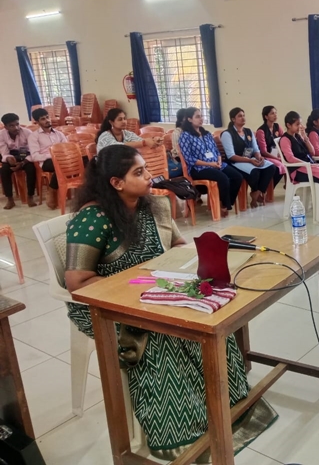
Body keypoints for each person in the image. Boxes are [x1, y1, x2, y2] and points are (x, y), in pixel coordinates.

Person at [64, 145, 277, 462]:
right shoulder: (93, 219)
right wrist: (134, 291)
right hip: (106, 305)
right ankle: (182, 434)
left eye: (146, 169)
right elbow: (77, 282)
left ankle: (229, 409)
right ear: (116, 183)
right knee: (163, 337)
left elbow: (177, 246)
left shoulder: (152, 206)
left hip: (155, 289)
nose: (149, 176)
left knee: (209, 318)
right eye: (139, 172)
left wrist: (179, 275)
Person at [179, 107, 243, 217]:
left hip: (215, 164)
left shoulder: (207, 134)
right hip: (199, 168)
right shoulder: (185, 136)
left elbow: (216, 151)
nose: (201, 119)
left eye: (201, 116)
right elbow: (189, 158)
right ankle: (224, 206)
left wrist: (219, 161)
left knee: (238, 177)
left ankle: (226, 202)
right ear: (189, 119)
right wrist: (209, 164)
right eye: (197, 117)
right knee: (223, 178)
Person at [221, 107, 276, 208]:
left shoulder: (248, 131)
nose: (243, 118)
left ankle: (256, 193)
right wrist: (250, 161)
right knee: (255, 172)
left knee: (271, 167)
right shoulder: (227, 134)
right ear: (233, 119)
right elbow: (231, 155)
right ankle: (256, 192)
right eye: (239, 116)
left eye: (244, 115)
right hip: (236, 162)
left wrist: (259, 157)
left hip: (250, 160)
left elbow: (255, 149)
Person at [27, 108, 67, 209]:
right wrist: (53, 155)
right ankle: (52, 191)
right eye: (43, 119)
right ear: (37, 122)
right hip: (46, 162)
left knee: (86, 160)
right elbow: (35, 156)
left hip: (62, 159)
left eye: (47, 117)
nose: (47, 120)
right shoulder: (34, 137)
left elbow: (67, 147)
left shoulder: (59, 134)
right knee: (60, 165)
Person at [0, 113, 35, 209]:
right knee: (4, 170)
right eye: (11, 126)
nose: (16, 128)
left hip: (25, 154)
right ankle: (10, 199)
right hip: (11, 155)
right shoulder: (1, 135)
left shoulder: (27, 132)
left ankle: (30, 196)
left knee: (31, 168)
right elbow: (4, 152)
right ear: (6, 127)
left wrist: (23, 162)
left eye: (17, 124)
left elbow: (33, 151)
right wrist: (9, 159)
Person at [96, 108, 163, 152]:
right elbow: (117, 147)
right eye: (120, 119)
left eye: (124, 119)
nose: (124, 122)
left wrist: (154, 139)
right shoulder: (104, 136)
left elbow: (140, 140)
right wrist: (144, 143)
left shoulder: (127, 134)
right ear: (111, 122)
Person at [255, 105, 285, 185]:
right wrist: (277, 158)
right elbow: (263, 151)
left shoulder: (277, 127)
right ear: (266, 116)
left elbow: (284, 141)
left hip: (276, 155)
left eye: (276, 113)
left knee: (286, 163)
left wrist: (281, 155)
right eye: (272, 113)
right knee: (280, 165)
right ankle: (268, 187)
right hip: (266, 156)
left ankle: (274, 186)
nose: (275, 115)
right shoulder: (261, 131)